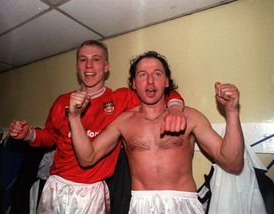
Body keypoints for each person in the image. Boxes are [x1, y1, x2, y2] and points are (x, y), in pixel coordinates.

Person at [8, 40, 186, 213]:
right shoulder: (62, 101)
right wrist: (29, 134)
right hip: (56, 185)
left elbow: (158, 91)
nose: (89, 66)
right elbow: (51, 137)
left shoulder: (121, 99)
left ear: (106, 66)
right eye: (83, 60)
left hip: (93, 190)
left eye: (96, 59)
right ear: (77, 67)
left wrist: (175, 108)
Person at [69, 51, 244, 213]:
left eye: (158, 74)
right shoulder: (123, 122)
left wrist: (231, 111)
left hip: (183, 204)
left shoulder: (189, 117)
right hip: (141, 205)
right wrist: (75, 118)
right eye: (142, 75)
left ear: (167, 81)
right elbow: (87, 158)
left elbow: (233, 163)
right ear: (133, 83)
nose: (150, 81)